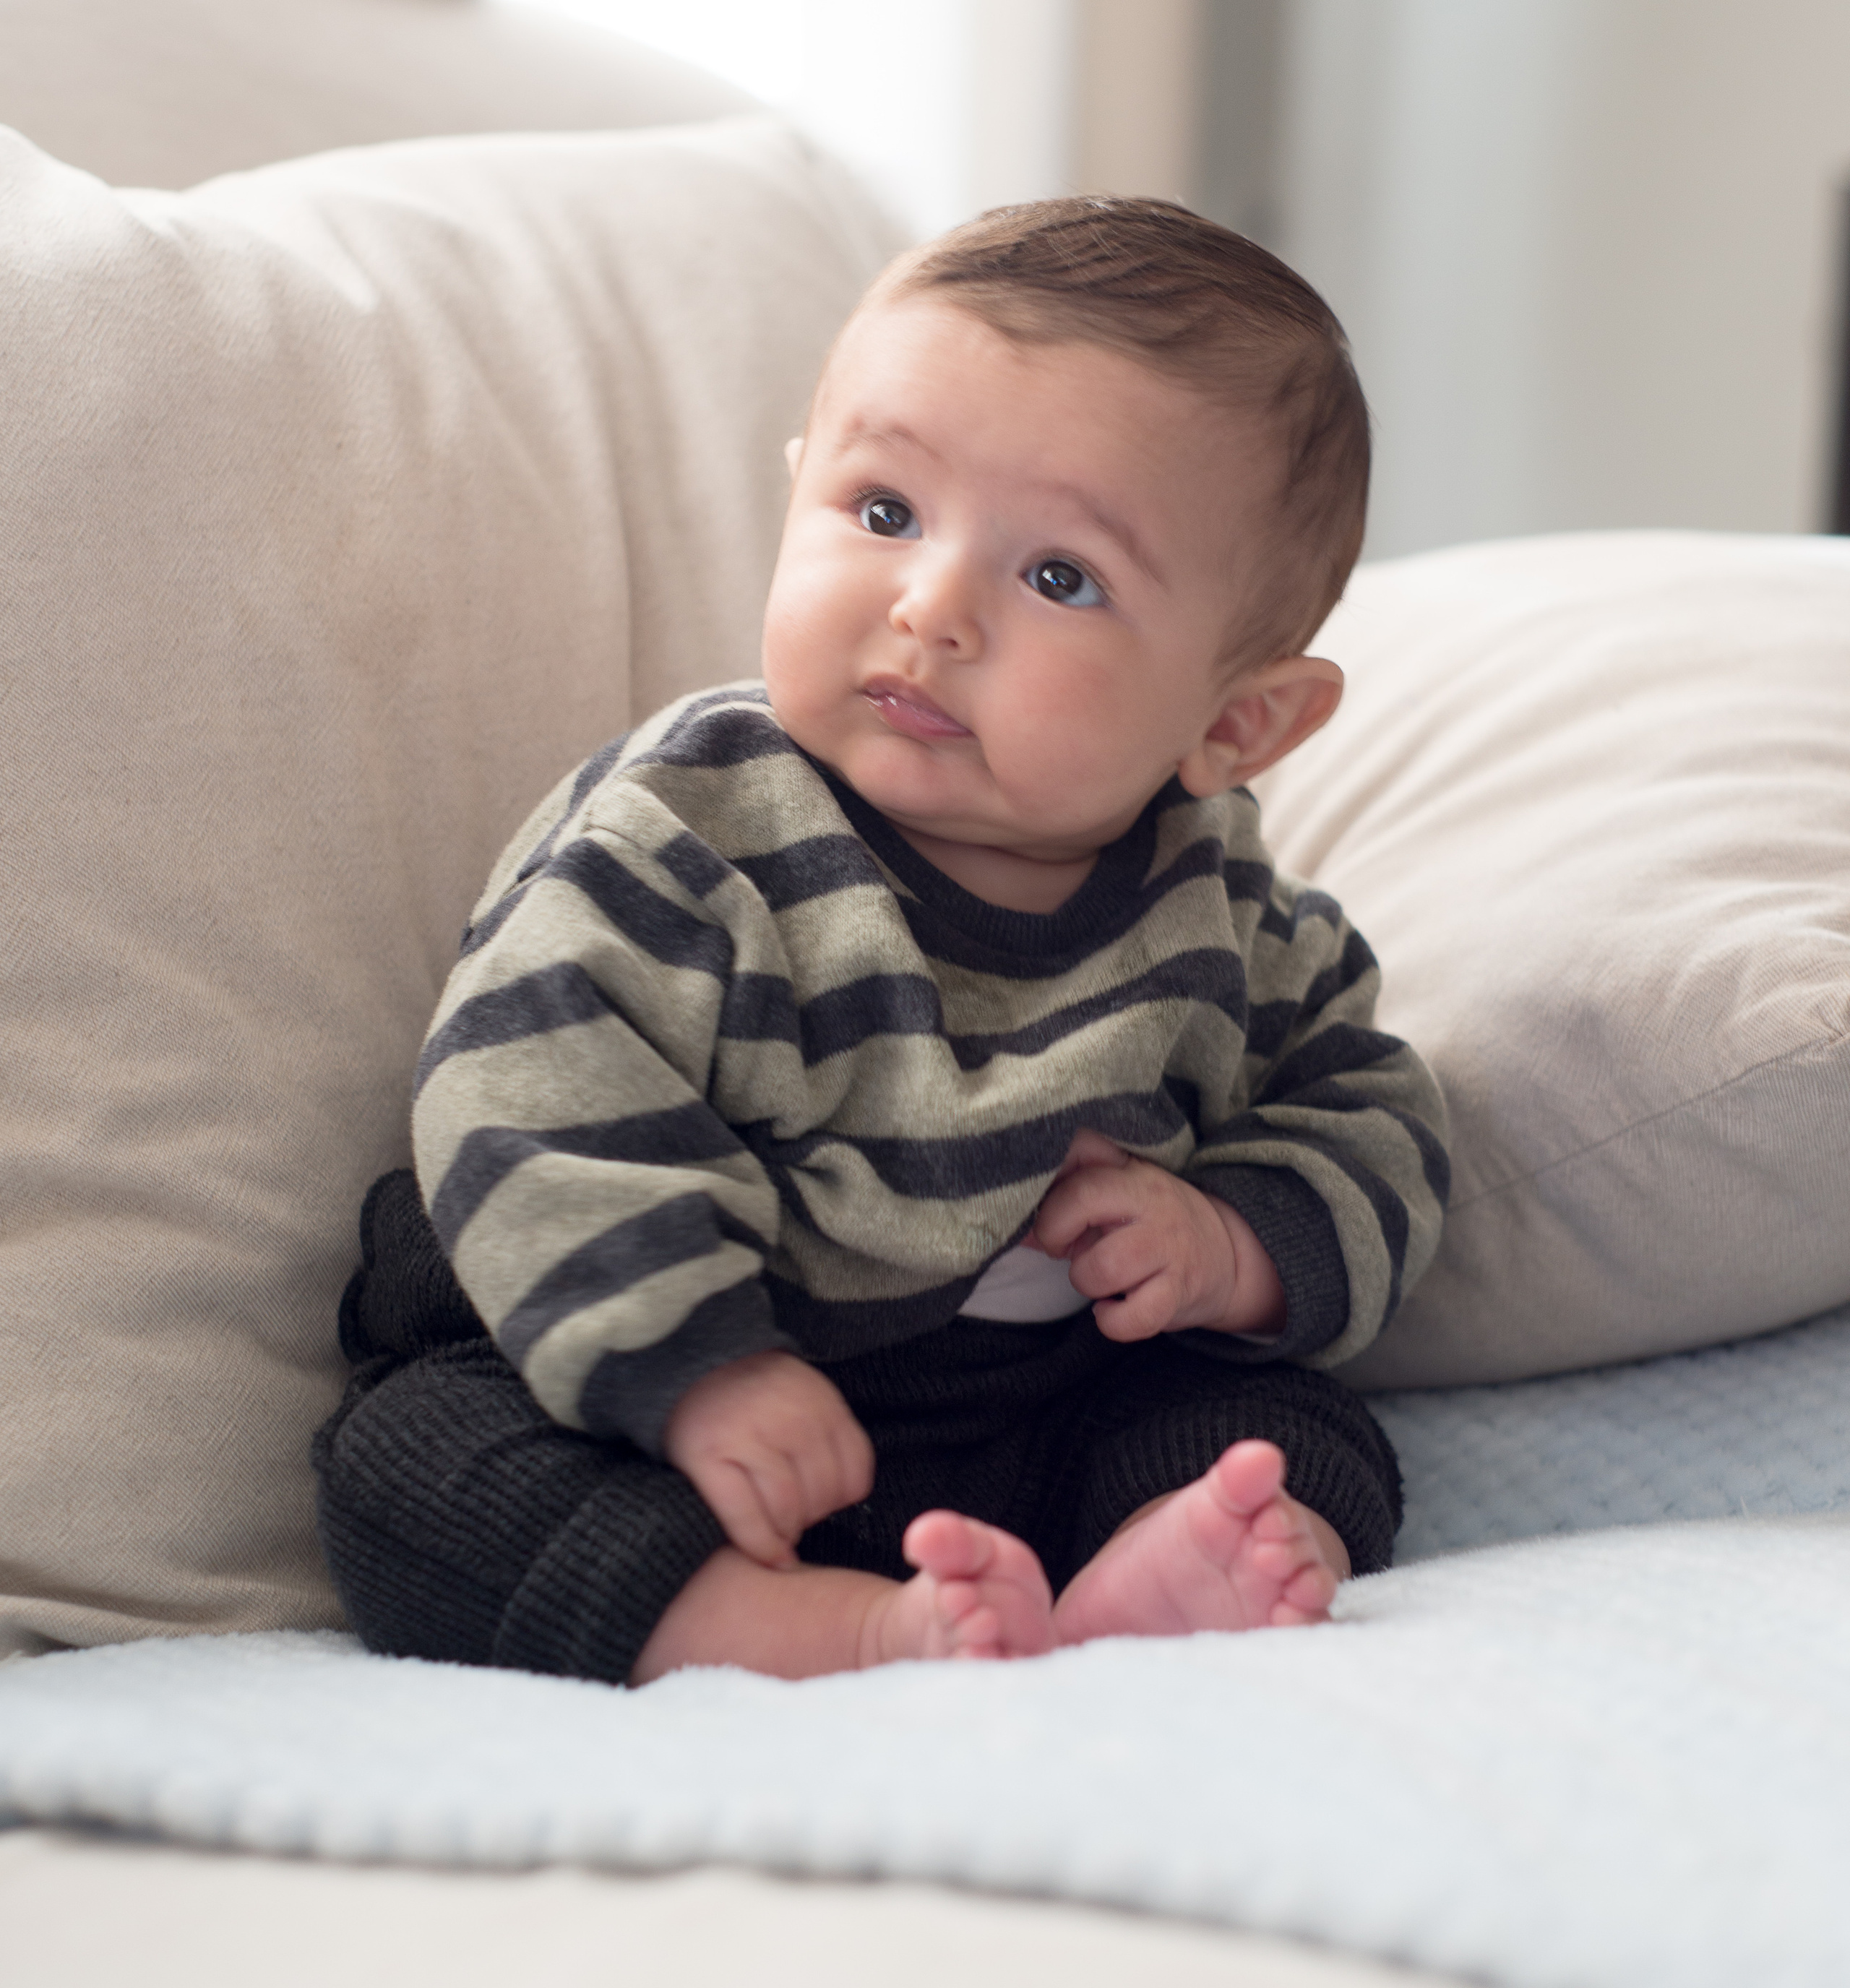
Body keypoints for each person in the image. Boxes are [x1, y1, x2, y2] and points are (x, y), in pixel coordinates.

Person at [314, 196, 1448, 1687]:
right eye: (881, 511)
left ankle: (1154, 1568)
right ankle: (814, 1630)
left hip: (1011, 1418)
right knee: (415, 1466)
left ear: (1233, 723)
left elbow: (1377, 1115)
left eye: (1058, 578)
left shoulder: (1220, 913)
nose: (929, 607)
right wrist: (700, 1367)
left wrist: (1229, 1244)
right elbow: (529, 1079)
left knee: (1293, 1441)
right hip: (639, 1379)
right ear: (797, 499)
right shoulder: (696, 826)